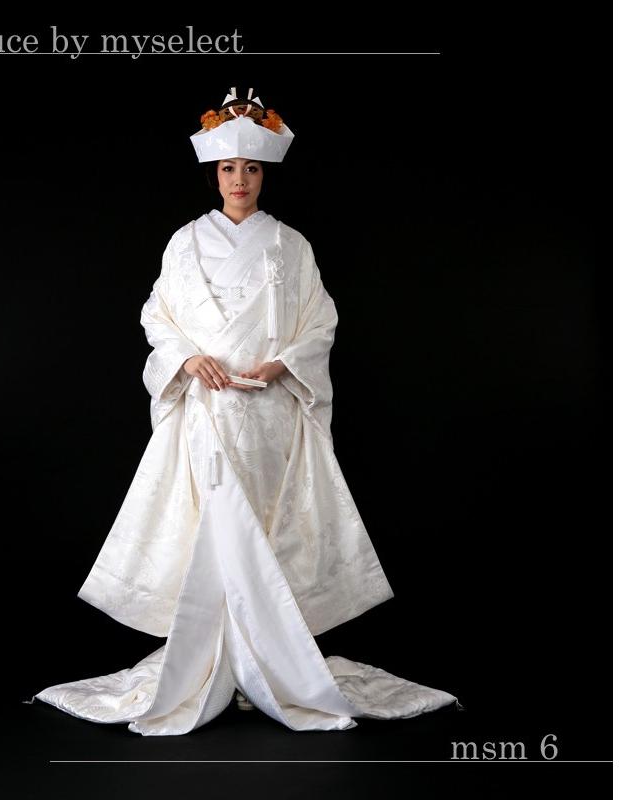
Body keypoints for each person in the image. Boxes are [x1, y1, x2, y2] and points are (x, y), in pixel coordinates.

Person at [26, 88, 459, 735]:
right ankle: (214, 663)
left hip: (267, 413)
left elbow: (320, 320)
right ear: (215, 174)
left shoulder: (290, 246)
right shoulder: (185, 243)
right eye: (228, 168)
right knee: (212, 525)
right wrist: (185, 358)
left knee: (265, 529)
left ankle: (266, 665)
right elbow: (157, 315)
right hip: (207, 407)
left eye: (251, 168)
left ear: (264, 174)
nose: (240, 180)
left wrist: (283, 362)